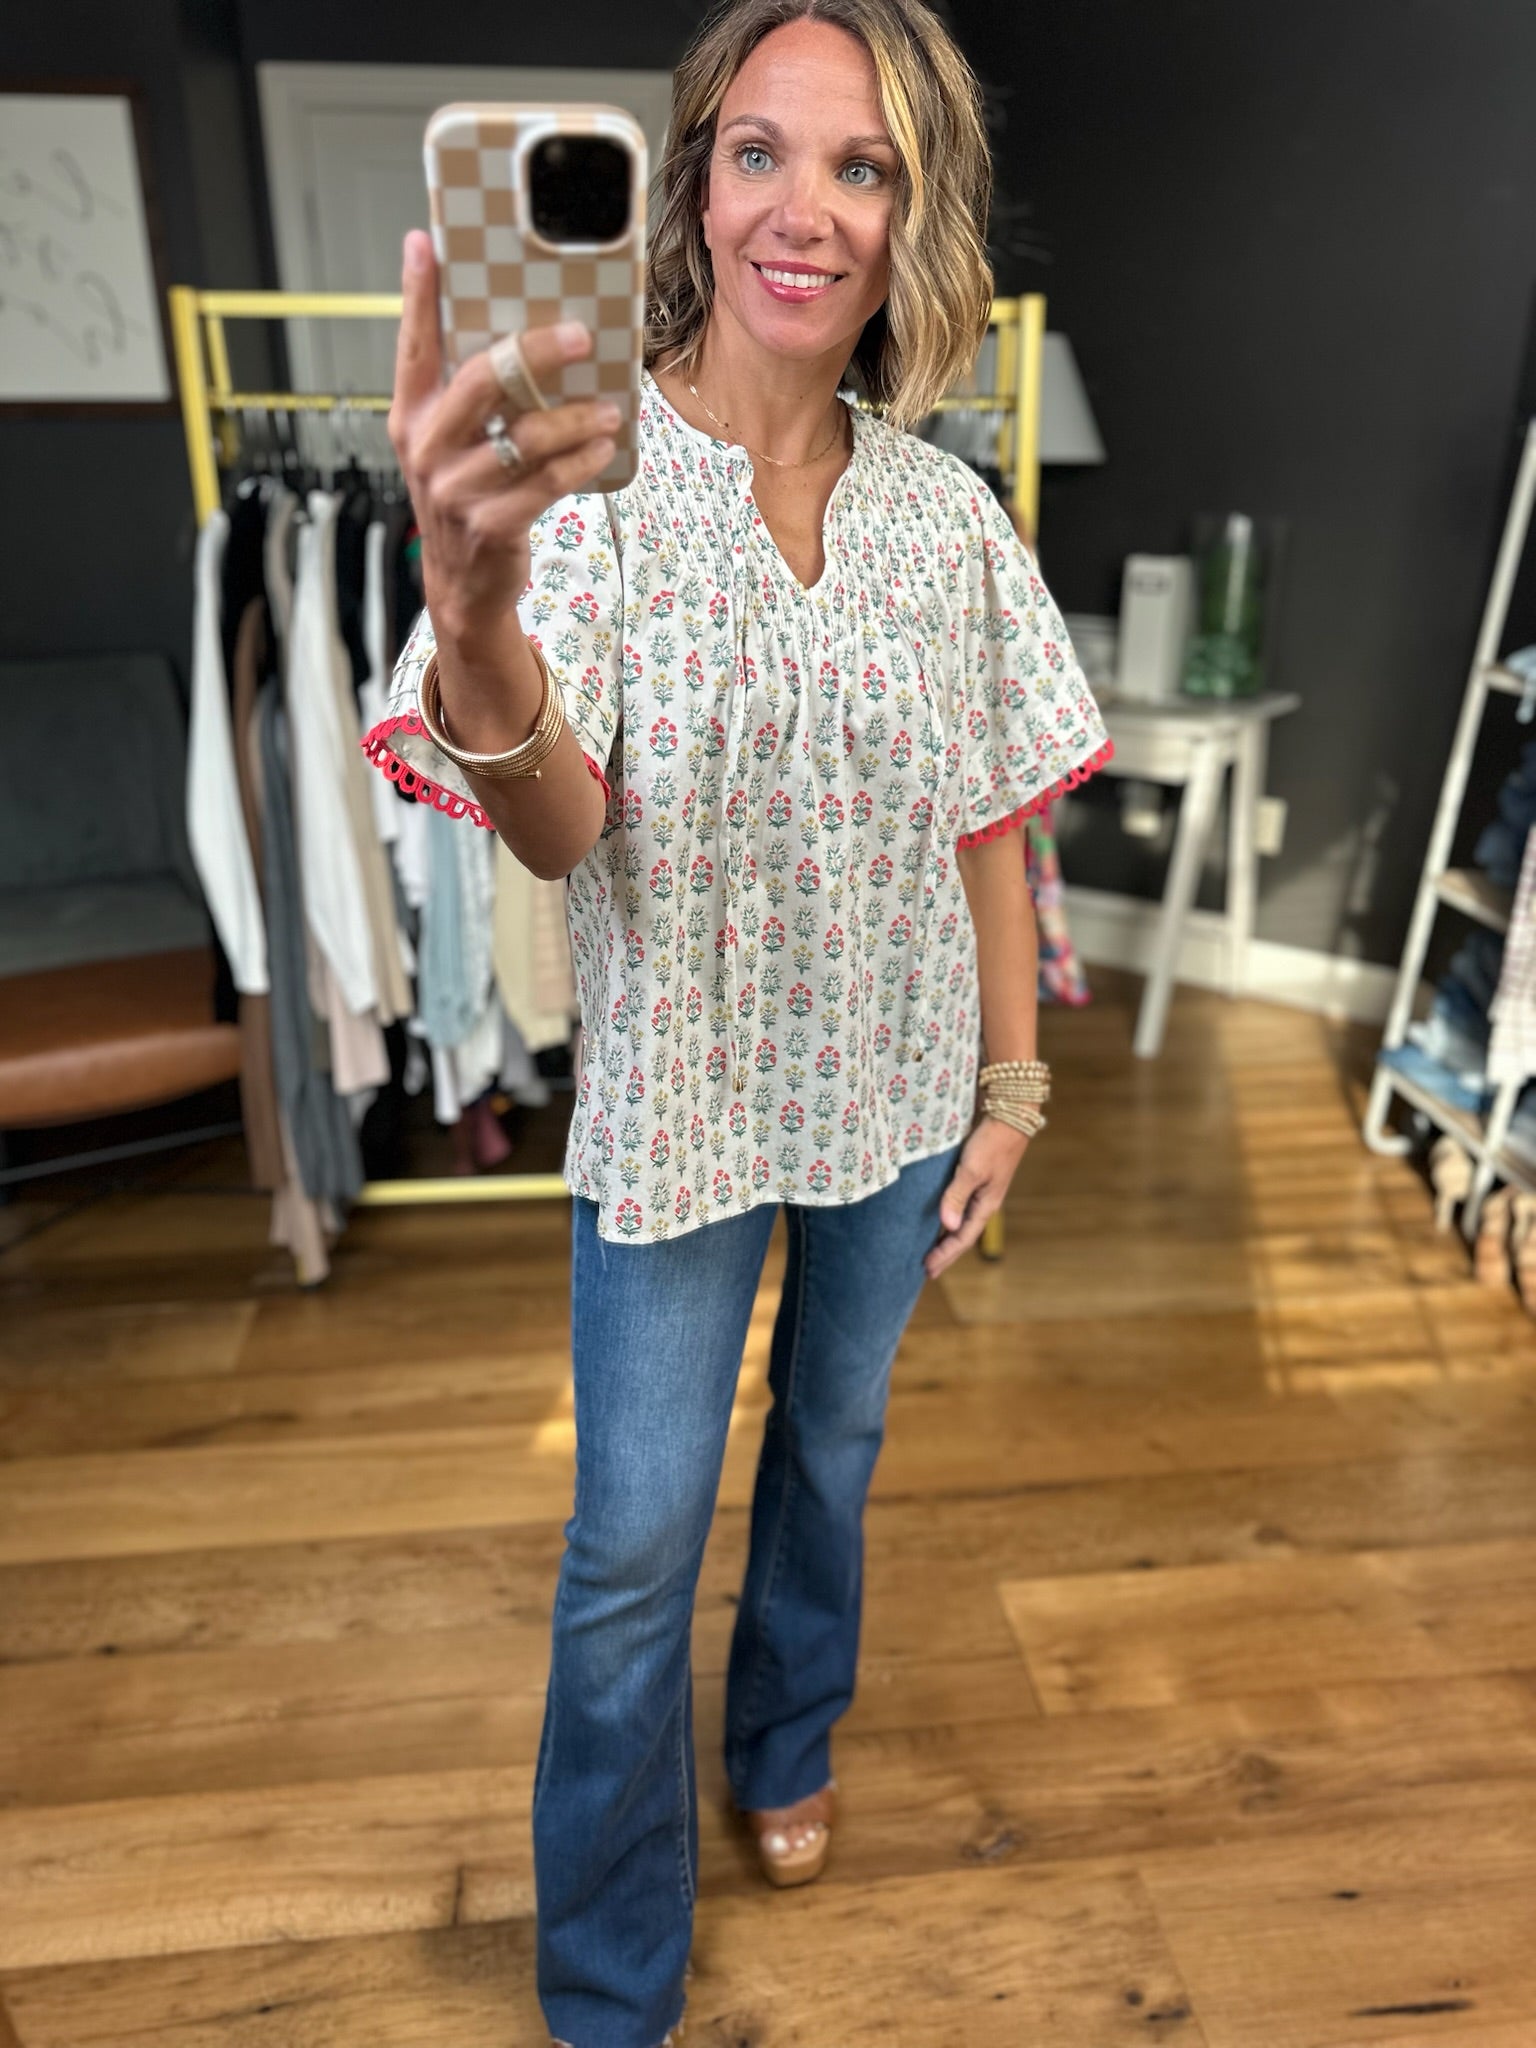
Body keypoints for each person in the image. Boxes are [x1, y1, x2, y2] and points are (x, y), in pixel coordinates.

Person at [371, 0, 1110, 2039]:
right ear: (695, 179)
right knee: (628, 1545)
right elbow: (558, 834)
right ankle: (613, 1977)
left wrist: (1015, 1087)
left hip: (892, 1091)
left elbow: (986, 818)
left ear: (910, 212)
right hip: (682, 1111)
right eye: (765, 152)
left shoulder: (945, 519)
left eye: (862, 165)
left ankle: (787, 1729)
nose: (811, 209)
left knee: (838, 1443)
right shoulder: (590, 490)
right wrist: (478, 623)